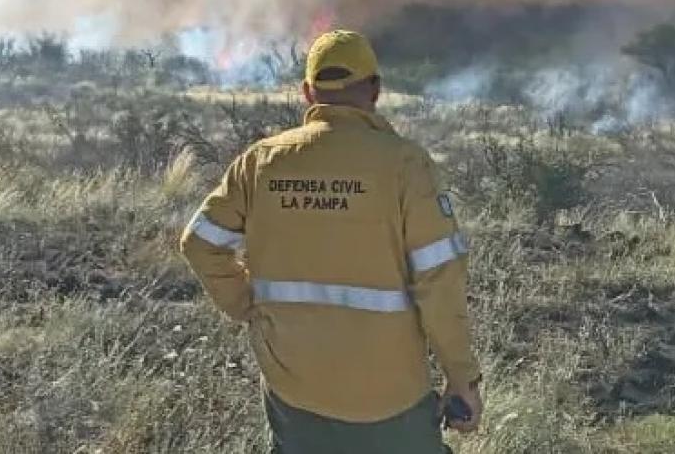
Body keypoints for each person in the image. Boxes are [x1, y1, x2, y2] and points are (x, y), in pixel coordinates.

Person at [180, 30, 483, 453]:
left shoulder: (261, 162)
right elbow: (440, 281)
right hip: (390, 395)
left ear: (308, 93)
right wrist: (461, 377)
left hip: (294, 390)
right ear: (375, 89)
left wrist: (243, 303)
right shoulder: (405, 165)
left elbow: (199, 242)